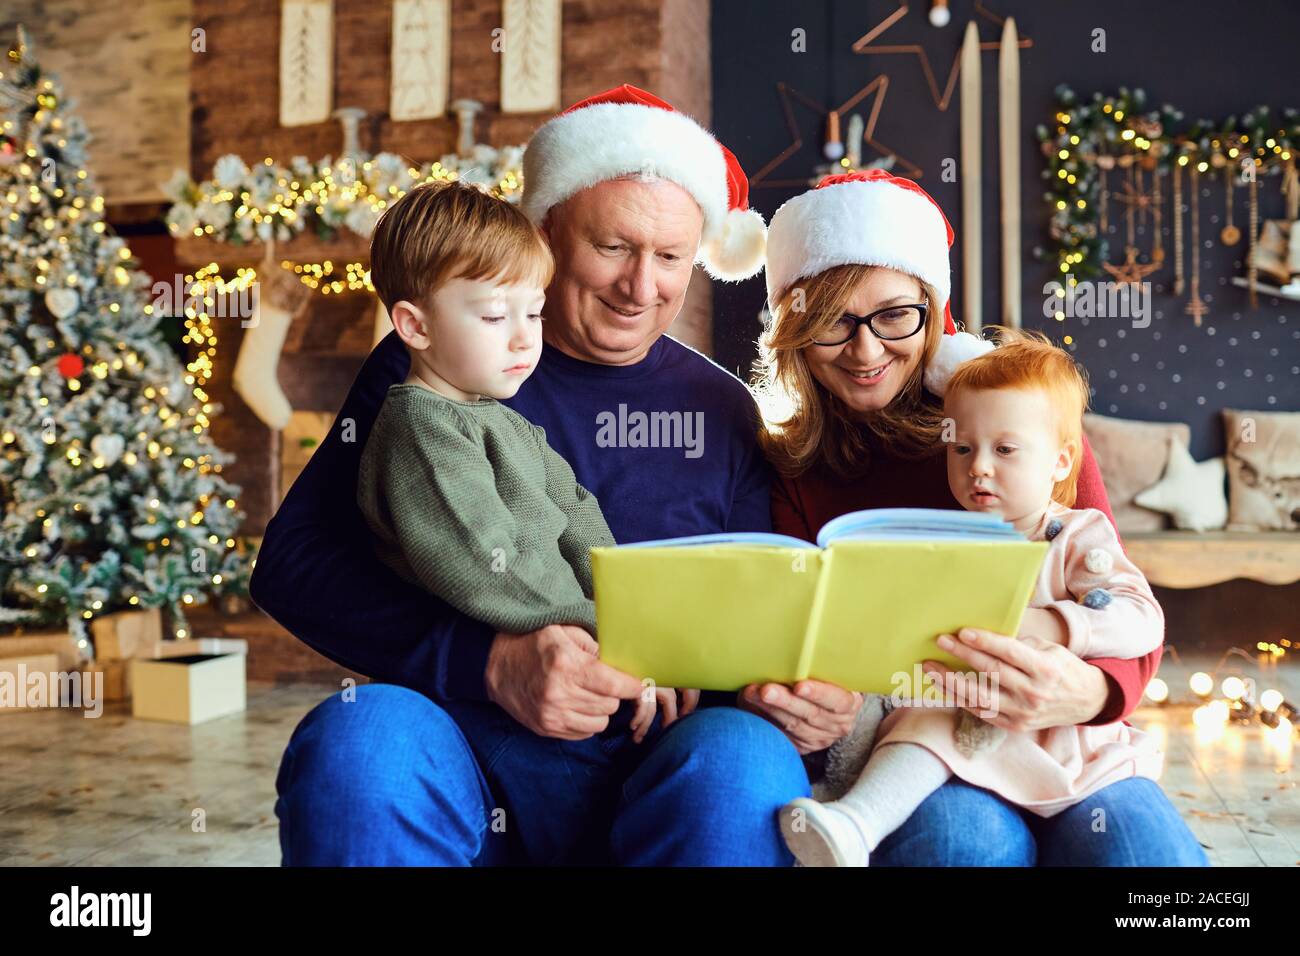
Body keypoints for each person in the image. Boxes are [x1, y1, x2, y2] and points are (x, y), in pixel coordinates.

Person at [256, 85, 822, 866]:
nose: (642, 287)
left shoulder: (723, 408)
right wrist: (486, 663)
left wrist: (792, 689)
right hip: (469, 749)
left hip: (659, 759)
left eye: (670, 258)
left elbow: (766, 603)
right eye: (614, 247)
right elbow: (292, 567)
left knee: (744, 765)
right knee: (362, 740)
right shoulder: (433, 370)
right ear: (547, 231)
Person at [754, 169, 1206, 865]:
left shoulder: (1021, 425)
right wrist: (797, 694)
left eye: (893, 315)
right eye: (832, 322)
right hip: (932, 742)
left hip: (1070, 738)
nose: (866, 349)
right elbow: (790, 632)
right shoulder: (789, 465)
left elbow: (1122, 604)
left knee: (1143, 850)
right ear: (794, 328)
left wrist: (1087, 689)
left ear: (934, 312)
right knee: (962, 843)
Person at [781, 330, 1181, 866]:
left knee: (1142, 851)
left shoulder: (1076, 536)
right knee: (922, 729)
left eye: (1005, 450)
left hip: (1064, 745)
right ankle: (855, 824)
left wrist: (1058, 628)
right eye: (962, 448)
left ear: (1063, 463)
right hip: (962, 730)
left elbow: (1141, 619)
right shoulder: (945, 541)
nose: (979, 467)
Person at [356, 180, 687, 743]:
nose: (521, 341)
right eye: (492, 318)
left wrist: (635, 623)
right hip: (486, 715)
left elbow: (580, 520)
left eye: (532, 314)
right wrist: (604, 632)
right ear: (415, 326)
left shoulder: (504, 420)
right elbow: (483, 556)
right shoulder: (423, 427)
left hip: (582, 662)